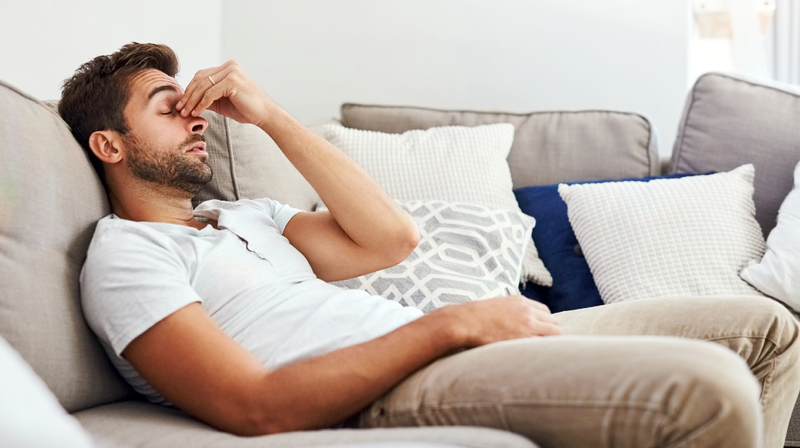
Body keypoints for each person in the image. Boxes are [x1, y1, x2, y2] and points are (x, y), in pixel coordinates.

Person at [59, 42, 799, 448]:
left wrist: (271, 116)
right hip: (398, 384)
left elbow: (390, 239)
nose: (197, 120)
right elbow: (256, 408)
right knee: (711, 388)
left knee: (769, 330)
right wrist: (452, 324)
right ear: (109, 145)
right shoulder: (128, 256)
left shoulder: (243, 217)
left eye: (194, 106)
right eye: (169, 108)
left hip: (462, 340)